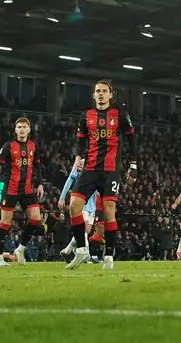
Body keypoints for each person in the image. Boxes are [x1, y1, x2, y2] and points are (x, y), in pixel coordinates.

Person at [65, 80, 137, 271]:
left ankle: (109, 256)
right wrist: (78, 156)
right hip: (89, 169)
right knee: (73, 206)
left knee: (108, 212)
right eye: (98, 91)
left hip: (111, 170)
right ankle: (81, 250)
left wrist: (133, 164)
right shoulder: (86, 116)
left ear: (111, 94)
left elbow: (132, 139)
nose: (101, 94)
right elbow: (80, 141)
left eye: (104, 91)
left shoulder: (120, 115)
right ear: (93, 95)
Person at [0, 116, 45, 266]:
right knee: (5, 222)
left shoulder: (33, 146)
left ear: (29, 129)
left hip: (28, 189)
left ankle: (20, 248)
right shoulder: (8, 146)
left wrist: (40, 184)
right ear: (15, 130)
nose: (22, 129)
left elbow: (37, 166)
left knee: (36, 219)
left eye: (24, 127)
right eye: (19, 127)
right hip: (10, 189)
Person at [58, 170, 101, 260]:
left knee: (86, 230)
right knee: (84, 230)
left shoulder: (98, 166)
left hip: (91, 205)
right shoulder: (80, 164)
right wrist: (62, 197)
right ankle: (86, 255)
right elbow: (69, 180)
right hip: (80, 202)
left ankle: (67, 250)